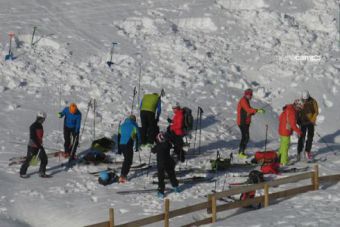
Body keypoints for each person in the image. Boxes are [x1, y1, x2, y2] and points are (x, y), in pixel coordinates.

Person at [20, 112, 50, 178]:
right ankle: (22, 173)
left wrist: (40, 145)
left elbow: (39, 136)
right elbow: (33, 137)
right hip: (32, 146)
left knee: (44, 159)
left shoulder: (40, 125)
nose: (43, 121)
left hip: (39, 146)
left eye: (43, 119)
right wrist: (39, 146)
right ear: (39, 118)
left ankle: (42, 172)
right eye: (42, 119)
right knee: (29, 160)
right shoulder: (33, 126)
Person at [236, 89, 265, 158]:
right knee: (245, 137)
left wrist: (254, 112)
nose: (250, 96)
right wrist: (257, 110)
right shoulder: (243, 100)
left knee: (246, 137)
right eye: (249, 95)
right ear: (246, 94)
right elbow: (248, 109)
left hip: (246, 122)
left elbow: (249, 110)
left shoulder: (246, 100)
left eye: (251, 95)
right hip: (242, 122)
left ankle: (241, 151)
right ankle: (241, 152)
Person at [151, 132, 179, 198]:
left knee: (161, 178)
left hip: (160, 164)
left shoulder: (158, 146)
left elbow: (153, 150)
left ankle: (161, 192)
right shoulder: (167, 144)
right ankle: (175, 186)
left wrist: (152, 147)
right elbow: (170, 145)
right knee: (171, 174)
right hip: (168, 162)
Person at [278, 100, 303, 166]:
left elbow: (280, 117)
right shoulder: (292, 112)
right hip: (286, 131)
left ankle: (279, 159)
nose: (299, 110)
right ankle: (284, 161)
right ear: (297, 106)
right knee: (285, 146)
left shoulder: (288, 108)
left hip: (282, 129)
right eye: (299, 108)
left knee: (282, 146)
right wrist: (299, 131)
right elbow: (293, 125)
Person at [117, 115, 141, 183]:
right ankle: (123, 176)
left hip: (122, 144)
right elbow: (138, 136)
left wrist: (119, 149)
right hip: (128, 144)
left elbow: (118, 137)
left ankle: (123, 174)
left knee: (126, 159)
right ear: (134, 120)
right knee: (128, 160)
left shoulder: (122, 126)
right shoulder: (134, 126)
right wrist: (137, 146)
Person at [297, 90, 319, 161]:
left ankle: (307, 151)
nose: (305, 100)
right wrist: (298, 121)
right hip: (302, 122)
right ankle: (299, 152)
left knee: (310, 137)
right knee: (301, 137)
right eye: (304, 99)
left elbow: (316, 111)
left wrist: (313, 119)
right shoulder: (299, 102)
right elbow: (296, 112)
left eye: (306, 99)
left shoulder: (313, 101)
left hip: (310, 122)